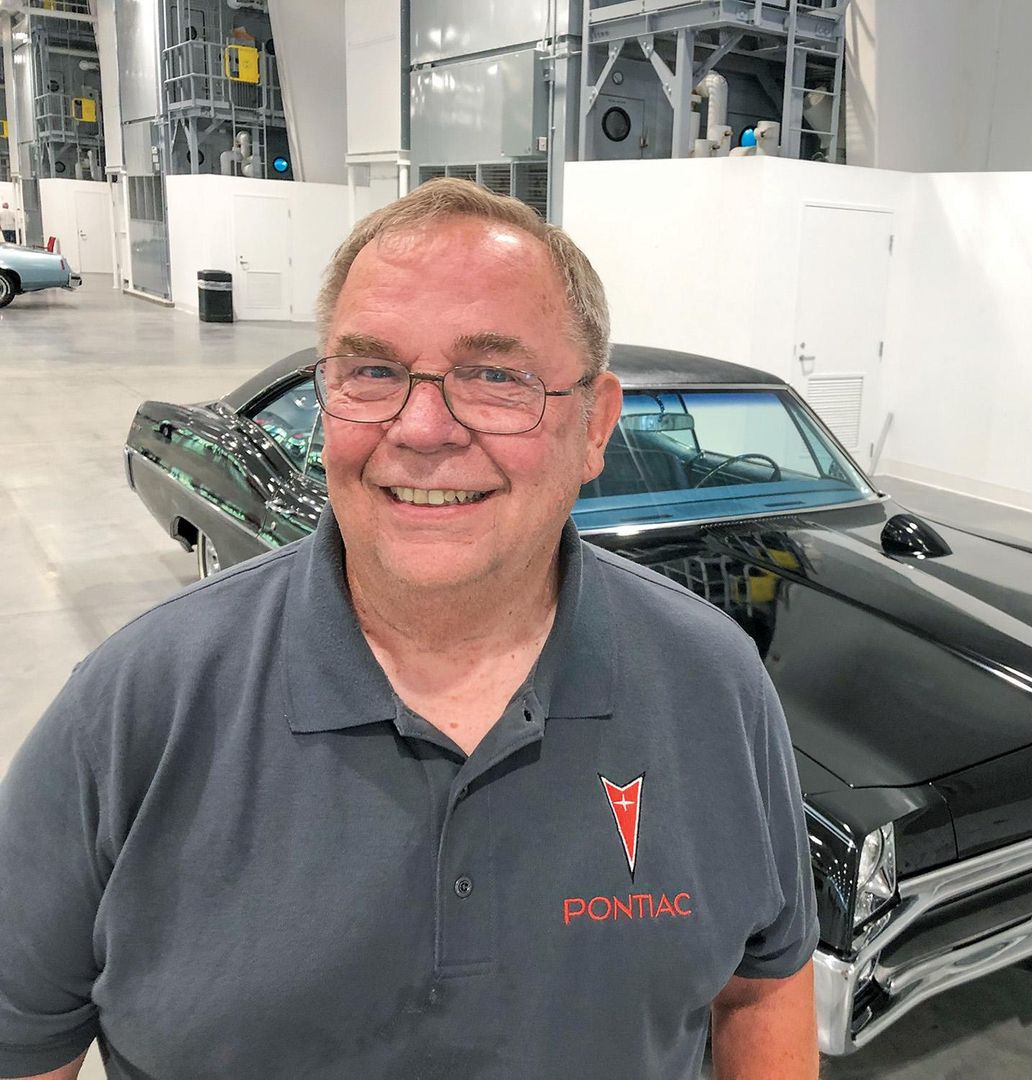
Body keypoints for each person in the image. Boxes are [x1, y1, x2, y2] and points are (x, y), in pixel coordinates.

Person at [0, 179, 820, 1079]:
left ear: (595, 427)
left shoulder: (715, 685)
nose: (422, 428)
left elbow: (762, 985)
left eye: (496, 376)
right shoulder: (133, 710)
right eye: (373, 372)